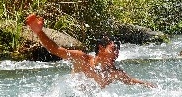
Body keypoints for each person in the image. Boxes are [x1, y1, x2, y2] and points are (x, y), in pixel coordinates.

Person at [24, 13, 156, 88]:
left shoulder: (114, 72)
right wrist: (39, 32)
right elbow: (55, 49)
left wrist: (150, 85)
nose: (116, 54)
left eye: (118, 51)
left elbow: (130, 81)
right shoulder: (82, 59)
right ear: (101, 48)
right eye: (113, 49)